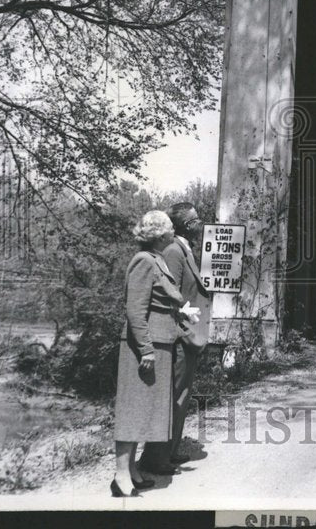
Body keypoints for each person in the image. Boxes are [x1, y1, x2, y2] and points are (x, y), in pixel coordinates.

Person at [112, 210, 200, 497]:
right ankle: (121, 474)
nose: (174, 232)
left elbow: (163, 301)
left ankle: (132, 470)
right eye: (170, 228)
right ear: (160, 234)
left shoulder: (157, 259)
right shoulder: (143, 261)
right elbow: (135, 311)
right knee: (132, 410)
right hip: (144, 348)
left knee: (144, 411)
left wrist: (182, 312)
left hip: (160, 345)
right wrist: (146, 350)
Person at [140, 202, 211, 474]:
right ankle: (155, 458)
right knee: (171, 396)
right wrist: (182, 331)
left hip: (188, 336)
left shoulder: (184, 249)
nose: (200, 223)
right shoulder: (173, 251)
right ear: (187, 225)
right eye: (196, 220)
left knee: (181, 395)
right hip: (179, 337)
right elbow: (170, 296)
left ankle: (169, 451)